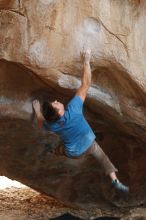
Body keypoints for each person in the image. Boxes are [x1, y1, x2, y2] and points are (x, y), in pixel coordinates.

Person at [32, 49, 129, 193]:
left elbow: (40, 123)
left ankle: (54, 150)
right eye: (55, 103)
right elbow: (85, 84)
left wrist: (37, 110)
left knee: (61, 148)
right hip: (90, 144)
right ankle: (115, 180)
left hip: (73, 153)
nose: (57, 100)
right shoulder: (74, 109)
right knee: (104, 160)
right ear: (59, 111)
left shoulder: (52, 124)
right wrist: (86, 60)